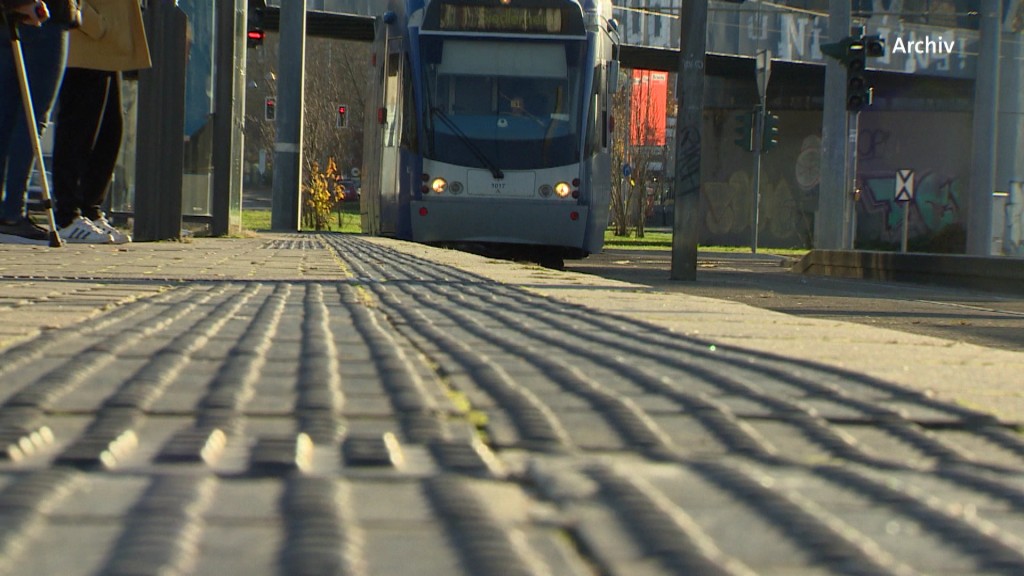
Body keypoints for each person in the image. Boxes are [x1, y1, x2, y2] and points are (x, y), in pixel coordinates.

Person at [51, 0, 149, 244]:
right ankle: (67, 216)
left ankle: (89, 208)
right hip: (86, 41)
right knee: (78, 132)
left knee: (110, 132)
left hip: (106, 42)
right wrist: (87, 17)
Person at [0, 0, 78, 243]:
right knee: (31, 118)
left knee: (7, 116)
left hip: (10, 17)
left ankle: (9, 211)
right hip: (41, 16)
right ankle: (12, 212)